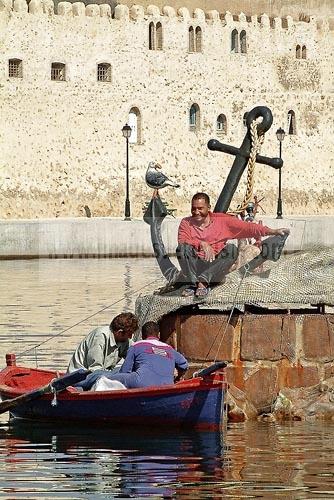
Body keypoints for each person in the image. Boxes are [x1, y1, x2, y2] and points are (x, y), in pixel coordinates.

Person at [177, 192, 290, 297]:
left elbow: (248, 227)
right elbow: (182, 241)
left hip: (215, 265)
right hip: (196, 264)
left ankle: (203, 282)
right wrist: (202, 244)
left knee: (232, 250)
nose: (196, 212)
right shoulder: (186, 222)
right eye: (193, 208)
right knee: (182, 249)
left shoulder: (222, 220)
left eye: (200, 208)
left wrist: (273, 231)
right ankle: (192, 284)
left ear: (209, 207)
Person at [77, 321, 188, 390]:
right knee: (114, 370)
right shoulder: (169, 349)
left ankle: (76, 383)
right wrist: (177, 378)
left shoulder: (137, 345)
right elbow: (184, 365)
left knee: (101, 375)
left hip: (140, 382)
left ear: (143, 336)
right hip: (167, 384)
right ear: (158, 335)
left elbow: (125, 371)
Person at [67, 312, 138, 373]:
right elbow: (95, 369)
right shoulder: (100, 336)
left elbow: (135, 353)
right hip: (80, 377)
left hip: (101, 374)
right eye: (129, 334)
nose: (130, 337)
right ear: (119, 333)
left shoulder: (124, 340)